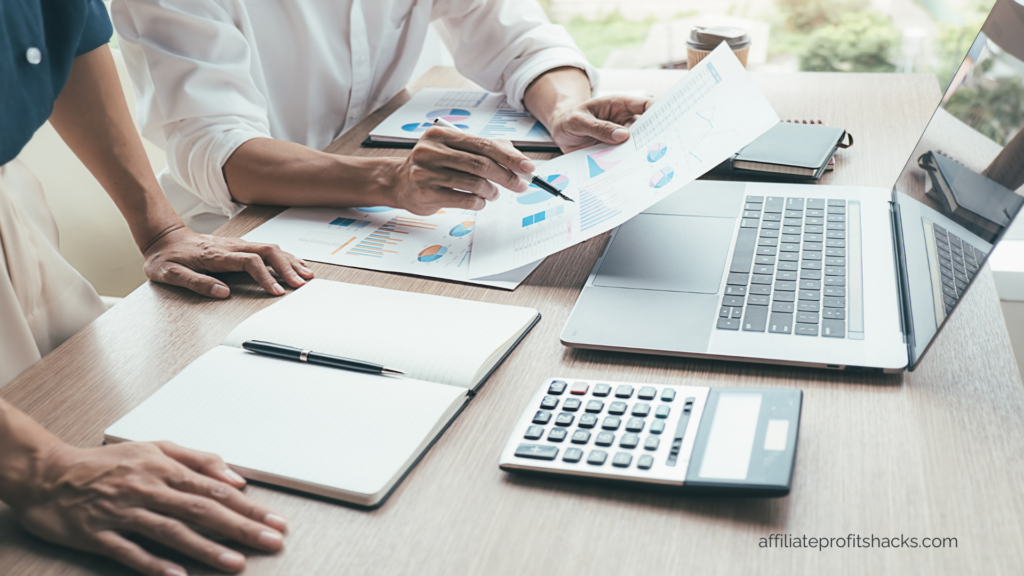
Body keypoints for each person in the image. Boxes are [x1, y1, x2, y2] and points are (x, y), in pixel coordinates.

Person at [1, 1, 313, 573]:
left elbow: (69, 31)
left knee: (103, 429)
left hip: (11, 207)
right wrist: (40, 467)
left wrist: (161, 229)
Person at [111, 0, 653, 230]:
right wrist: (389, 179)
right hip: (245, 227)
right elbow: (215, 147)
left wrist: (563, 106)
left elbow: (520, 40)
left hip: (390, 211)